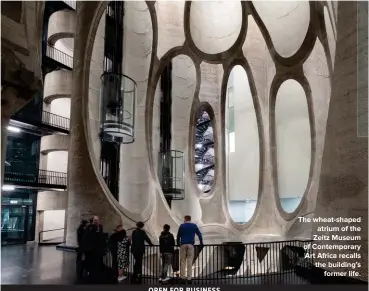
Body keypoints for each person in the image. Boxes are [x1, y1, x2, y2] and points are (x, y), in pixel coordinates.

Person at [177, 215, 203, 284]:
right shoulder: (194, 226)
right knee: (189, 262)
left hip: (183, 244)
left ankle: (182, 278)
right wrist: (201, 243)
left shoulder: (182, 226)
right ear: (190, 219)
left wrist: (177, 243)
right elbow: (199, 234)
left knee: (182, 261)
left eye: (184, 219)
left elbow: (178, 235)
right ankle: (189, 279)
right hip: (191, 245)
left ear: (185, 219)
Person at [83, 215, 105, 283]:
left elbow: (101, 236)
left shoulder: (100, 226)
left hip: (98, 249)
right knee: (90, 262)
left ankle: (97, 275)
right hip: (90, 249)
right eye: (95, 220)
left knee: (98, 262)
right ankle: (89, 274)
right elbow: (87, 238)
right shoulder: (89, 227)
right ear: (92, 221)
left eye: (97, 220)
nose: (96, 222)